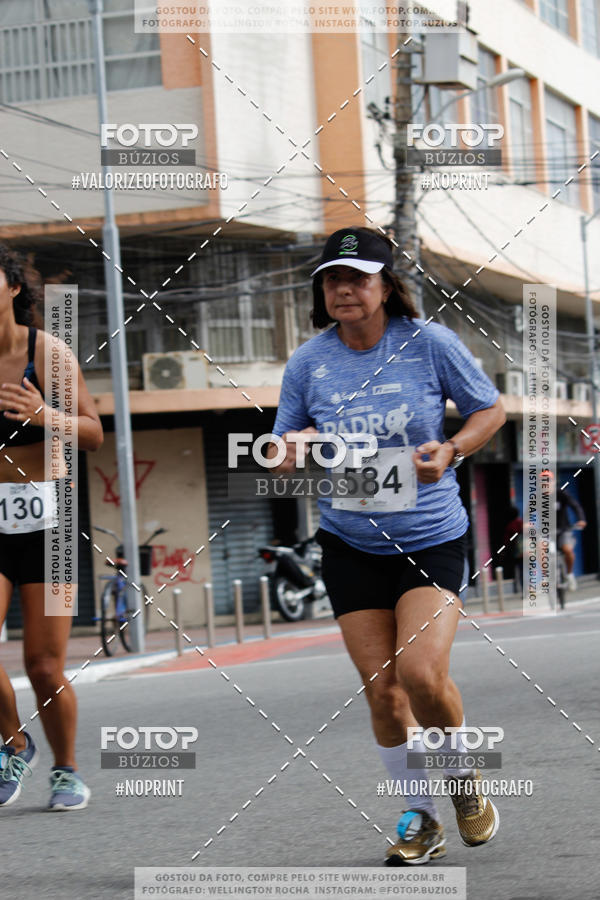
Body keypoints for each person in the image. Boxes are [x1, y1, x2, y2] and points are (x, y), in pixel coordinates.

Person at [269, 227, 505, 864]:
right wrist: (287, 451)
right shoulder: (309, 362)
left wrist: (452, 448)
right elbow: (283, 446)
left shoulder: (429, 343)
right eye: (332, 278)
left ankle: (463, 779)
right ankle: (421, 819)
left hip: (429, 538)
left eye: (358, 277)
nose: (343, 288)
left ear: (385, 285)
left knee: (421, 674)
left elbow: (489, 410)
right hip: (349, 543)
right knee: (384, 692)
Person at [0, 244, 103, 810]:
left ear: (14, 287)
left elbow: (92, 433)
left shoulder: (48, 353)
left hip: (50, 529)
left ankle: (66, 769)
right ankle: (15, 744)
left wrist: (45, 415)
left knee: (43, 666)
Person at [540, 470, 586, 591]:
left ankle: (570, 575)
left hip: (564, 529)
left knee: (567, 550)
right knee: (540, 549)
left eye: (548, 480)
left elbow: (575, 506)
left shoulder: (561, 494)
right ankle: (545, 576)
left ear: (553, 481)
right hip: (547, 532)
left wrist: (581, 519)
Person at [504, 506, 524, 595]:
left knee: (520, 571)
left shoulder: (510, 526)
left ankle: (523, 589)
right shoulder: (522, 523)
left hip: (517, 552)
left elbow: (507, 541)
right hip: (527, 551)